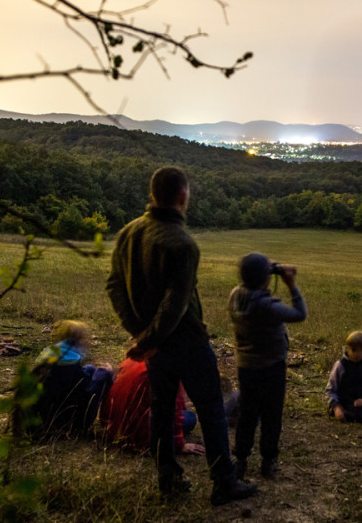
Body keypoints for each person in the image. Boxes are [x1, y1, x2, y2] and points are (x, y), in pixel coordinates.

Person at [105, 166, 257, 505]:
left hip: (157, 348)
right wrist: (146, 341)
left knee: (161, 409)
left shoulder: (128, 233)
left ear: (152, 194)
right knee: (211, 408)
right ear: (182, 196)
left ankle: (168, 479)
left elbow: (113, 286)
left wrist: (142, 336)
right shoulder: (182, 244)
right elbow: (175, 306)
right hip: (187, 341)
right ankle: (223, 482)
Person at [228, 253, 307, 480]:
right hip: (271, 367)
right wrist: (291, 284)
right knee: (272, 415)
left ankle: (240, 460)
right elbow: (300, 314)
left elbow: (252, 279)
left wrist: (268, 269)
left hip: (245, 366)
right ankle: (268, 460)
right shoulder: (268, 306)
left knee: (247, 414)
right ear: (264, 279)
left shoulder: (236, 296)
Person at [100, 355, 204, 456]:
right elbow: (174, 410)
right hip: (137, 436)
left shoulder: (134, 357)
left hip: (110, 424)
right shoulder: (166, 367)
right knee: (190, 418)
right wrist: (179, 445)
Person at [30, 320, 113, 438]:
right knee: (102, 374)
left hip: (43, 420)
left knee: (89, 369)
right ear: (78, 340)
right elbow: (86, 392)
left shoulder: (46, 359)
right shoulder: (72, 365)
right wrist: (104, 373)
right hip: (71, 424)